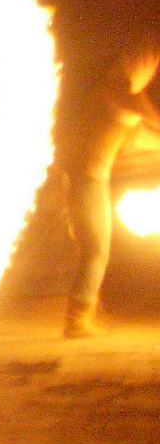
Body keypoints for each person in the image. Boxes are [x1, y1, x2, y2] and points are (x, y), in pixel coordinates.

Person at [57, 33, 160, 337]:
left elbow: (139, 137)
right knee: (97, 249)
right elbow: (148, 120)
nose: (151, 71)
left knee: (92, 246)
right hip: (86, 179)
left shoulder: (116, 96)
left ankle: (88, 309)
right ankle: (77, 321)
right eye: (149, 64)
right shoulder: (119, 91)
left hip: (87, 179)